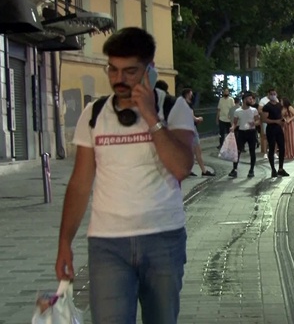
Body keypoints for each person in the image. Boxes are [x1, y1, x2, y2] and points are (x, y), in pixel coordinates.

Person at [56, 27, 195, 323]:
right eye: (113, 70)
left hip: (163, 239)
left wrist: (150, 116)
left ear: (149, 70)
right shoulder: (94, 114)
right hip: (108, 244)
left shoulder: (173, 109)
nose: (119, 79)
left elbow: (182, 167)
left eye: (130, 71)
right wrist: (64, 243)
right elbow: (80, 184)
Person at [229, 92, 259, 178]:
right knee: (237, 151)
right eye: (250, 99)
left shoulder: (254, 110)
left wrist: (252, 124)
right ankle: (234, 169)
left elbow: (258, 121)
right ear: (245, 99)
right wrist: (232, 127)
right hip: (241, 132)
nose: (252, 100)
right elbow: (234, 123)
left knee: (252, 151)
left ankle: (251, 170)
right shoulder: (238, 111)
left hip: (251, 132)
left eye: (252, 99)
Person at [261, 93, 290, 177]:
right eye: (271, 94)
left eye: (274, 94)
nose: (273, 95)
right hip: (271, 129)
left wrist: (282, 121)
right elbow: (264, 119)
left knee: (282, 148)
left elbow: (281, 115)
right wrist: (276, 121)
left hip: (279, 129)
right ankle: (273, 169)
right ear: (269, 96)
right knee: (272, 147)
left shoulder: (279, 105)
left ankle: (280, 168)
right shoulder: (267, 107)